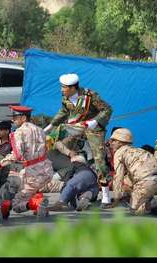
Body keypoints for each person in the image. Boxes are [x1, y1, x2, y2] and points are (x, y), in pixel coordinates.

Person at [43, 73, 113, 208]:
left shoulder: (90, 96)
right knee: (58, 142)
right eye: (62, 87)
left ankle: (105, 196)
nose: (61, 90)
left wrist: (95, 122)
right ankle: (70, 180)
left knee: (99, 159)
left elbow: (107, 109)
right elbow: (63, 112)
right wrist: (50, 126)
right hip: (76, 128)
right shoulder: (65, 97)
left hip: (94, 129)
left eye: (64, 87)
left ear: (73, 88)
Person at [0, 105, 54, 217]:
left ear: (24, 118)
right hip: (46, 170)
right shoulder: (40, 130)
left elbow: (17, 155)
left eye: (15, 117)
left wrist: (0, 164)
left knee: (16, 204)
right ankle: (38, 203)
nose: (13, 120)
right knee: (28, 190)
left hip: (32, 173)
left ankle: (37, 204)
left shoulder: (19, 132)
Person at [107, 128, 157, 219]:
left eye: (113, 140)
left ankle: (156, 203)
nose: (111, 143)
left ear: (120, 141)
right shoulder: (137, 150)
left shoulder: (119, 153)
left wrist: (116, 198)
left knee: (135, 211)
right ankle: (152, 201)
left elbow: (118, 177)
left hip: (146, 180)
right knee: (130, 182)